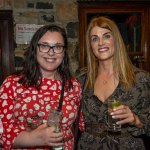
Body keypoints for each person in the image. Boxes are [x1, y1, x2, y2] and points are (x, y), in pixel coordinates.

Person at [0, 24, 84, 149]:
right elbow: (2, 131)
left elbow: (82, 125)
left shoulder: (74, 86)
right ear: (34, 49)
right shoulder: (13, 84)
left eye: (57, 47)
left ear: (64, 52)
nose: (51, 52)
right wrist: (33, 139)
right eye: (44, 46)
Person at [77, 16, 150, 150]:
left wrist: (136, 120)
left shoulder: (141, 79)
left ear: (116, 40)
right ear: (90, 46)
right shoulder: (81, 78)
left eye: (106, 36)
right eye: (94, 39)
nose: (100, 43)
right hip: (88, 146)